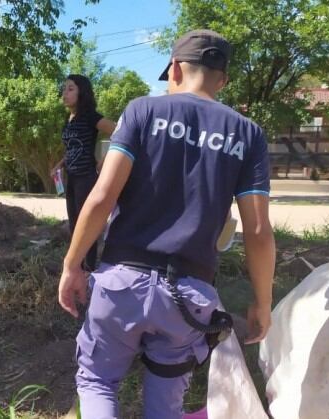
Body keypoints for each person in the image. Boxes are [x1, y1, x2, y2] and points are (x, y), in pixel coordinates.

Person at [57, 30, 276, 418]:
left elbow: (102, 197)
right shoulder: (248, 134)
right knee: (165, 407)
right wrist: (262, 301)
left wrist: (72, 265)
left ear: (174, 69)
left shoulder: (142, 111)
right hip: (189, 299)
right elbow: (257, 231)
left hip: (121, 285)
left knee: (97, 382)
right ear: (223, 79)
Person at [51, 74, 116, 271]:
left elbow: (119, 131)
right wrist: (59, 165)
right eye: (64, 89)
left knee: (85, 224)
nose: (65, 93)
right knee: (73, 223)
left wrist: (105, 161)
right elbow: (72, 148)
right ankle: (76, 266)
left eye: (71, 89)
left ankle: (89, 267)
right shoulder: (69, 120)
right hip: (71, 177)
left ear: (82, 93)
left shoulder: (89, 115)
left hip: (86, 178)